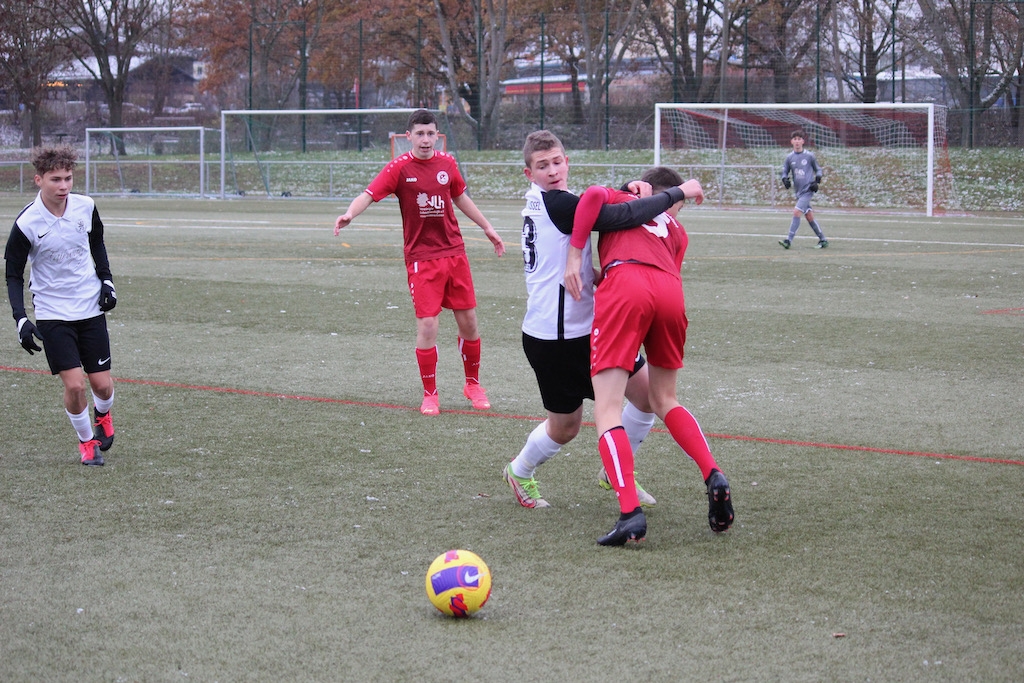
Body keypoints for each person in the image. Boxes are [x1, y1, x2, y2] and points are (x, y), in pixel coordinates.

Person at [505, 130, 691, 509]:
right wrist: (674, 194)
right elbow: (618, 216)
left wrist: (625, 188)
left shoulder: (556, 201)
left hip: (592, 328)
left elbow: (595, 206)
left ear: (567, 161)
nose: (552, 170)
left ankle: (616, 470)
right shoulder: (556, 203)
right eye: (542, 166)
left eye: (557, 162)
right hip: (555, 337)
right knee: (565, 427)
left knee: (649, 399)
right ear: (529, 173)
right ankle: (520, 471)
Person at [565, 167, 734, 545]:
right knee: (665, 398)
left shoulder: (622, 199)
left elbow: (591, 195)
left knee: (608, 408)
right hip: (670, 292)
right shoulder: (677, 230)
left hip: (627, 284)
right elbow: (660, 269)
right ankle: (713, 474)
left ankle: (630, 514)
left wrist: (575, 257)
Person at [334, 109, 505, 415]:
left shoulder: (447, 163)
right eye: (420, 134)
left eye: (431, 134)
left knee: (469, 321)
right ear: (409, 136)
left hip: (454, 252)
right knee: (427, 325)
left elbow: (460, 197)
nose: (426, 139)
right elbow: (369, 194)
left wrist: (487, 227)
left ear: (437, 136)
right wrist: (350, 213)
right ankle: (430, 394)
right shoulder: (399, 168)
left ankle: (473, 384)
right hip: (421, 259)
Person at [5, 146, 118, 466]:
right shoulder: (27, 222)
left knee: (102, 385)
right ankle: (87, 442)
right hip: (53, 313)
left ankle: (103, 415)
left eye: (68, 178)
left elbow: (96, 241)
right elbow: (13, 274)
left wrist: (107, 281)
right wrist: (20, 319)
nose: (64, 186)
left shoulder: (86, 206)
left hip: (89, 307)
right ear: (38, 180)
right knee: (75, 385)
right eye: (55, 179)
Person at [778, 129, 828, 249]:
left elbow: (818, 169)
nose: (797, 141)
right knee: (809, 216)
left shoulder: (809, 156)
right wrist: (784, 179)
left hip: (808, 190)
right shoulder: (789, 157)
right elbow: (784, 171)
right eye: (795, 139)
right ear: (791, 141)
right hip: (798, 192)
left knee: (796, 212)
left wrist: (817, 180)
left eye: (799, 139)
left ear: (803, 141)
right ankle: (823, 239)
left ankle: (788, 240)